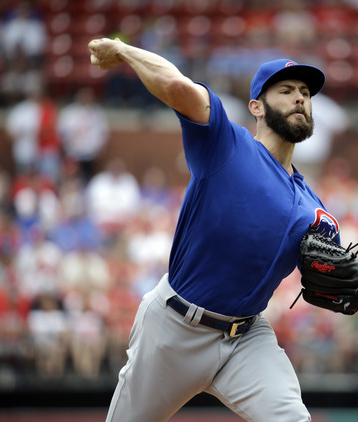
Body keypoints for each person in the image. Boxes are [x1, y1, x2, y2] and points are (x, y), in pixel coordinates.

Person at [89, 37, 340, 422]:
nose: (300, 99)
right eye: (286, 90)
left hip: (247, 339)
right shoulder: (228, 144)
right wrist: (122, 51)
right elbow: (176, 86)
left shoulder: (314, 208)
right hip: (174, 327)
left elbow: (340, 281)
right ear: (256, 106)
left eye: (305, 93)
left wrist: (357, 287)